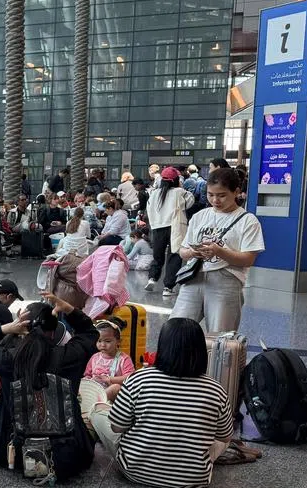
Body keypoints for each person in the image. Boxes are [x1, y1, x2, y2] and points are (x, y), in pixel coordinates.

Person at [90, 318, 233, 488]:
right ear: (201, 350)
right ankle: (190, 463)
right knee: (222, 439)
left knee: (98, 411)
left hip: (134, 471)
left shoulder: (140, 379)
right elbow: (224, 437)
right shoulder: (216, 389)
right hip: (194, 480)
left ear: (162, 346)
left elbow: (117, 427)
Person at [0, 292, 98, 440]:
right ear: (53, 333)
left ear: (22, 329)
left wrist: (8, 328)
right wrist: (69, 310)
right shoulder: (69, 356)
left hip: (13, 448)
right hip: (66, 450)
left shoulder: (7, 358)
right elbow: (90, 333)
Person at [171, 167, 264, 333]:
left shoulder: (247, 221)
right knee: (176, 331)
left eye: (221, 195)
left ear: (236, 192)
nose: (215, 200)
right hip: (194, 277)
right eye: (210, 194)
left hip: (226, 281)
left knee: (220, 338)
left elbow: (248, 259)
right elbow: (183, 250)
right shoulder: (200, 216)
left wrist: (219, 251)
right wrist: (193, 252)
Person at [77, 317, 136, 428]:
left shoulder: (123, 359)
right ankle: (89, 407)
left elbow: (131, 377)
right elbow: (87, 375)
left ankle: (93, 407)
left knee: (116, 387)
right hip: (94, 391)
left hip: (115, 397)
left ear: (118, 341)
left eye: (107, 341)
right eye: (99, 341)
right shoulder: (95, 357)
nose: (103, 345)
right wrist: (89, 380)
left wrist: (110, 380)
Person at [144, 166, 194, 297]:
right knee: (174, 255)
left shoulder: (154, 193)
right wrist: (182, 188)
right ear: (176, 180)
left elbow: (149, 209)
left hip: (157, 227)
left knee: (157, 255)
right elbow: (189, 203)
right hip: (175, 226)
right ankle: (168, 287)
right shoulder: (180, 192)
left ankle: (152, 278)